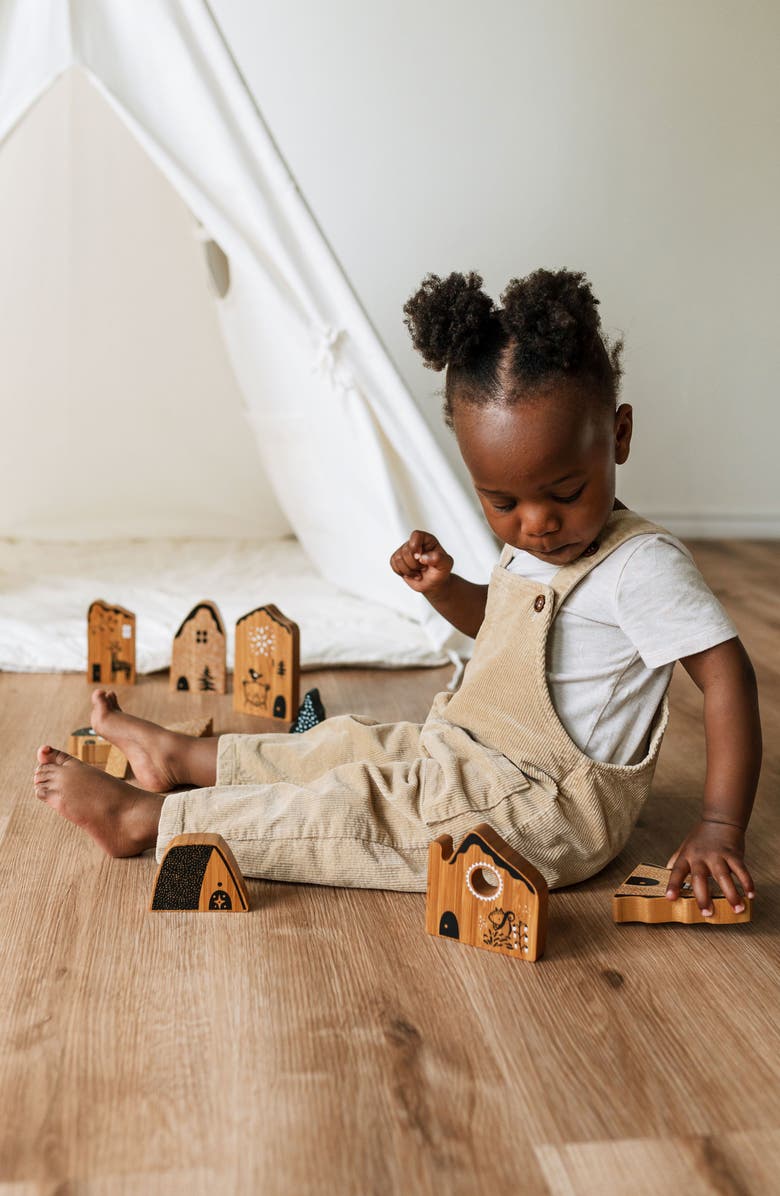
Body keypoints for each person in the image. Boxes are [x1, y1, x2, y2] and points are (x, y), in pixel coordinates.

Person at [33, 268, 761, 916]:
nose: (537, 524)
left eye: (564, 492)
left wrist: (720, 826)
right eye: (501, 502)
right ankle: (182, 761)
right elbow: (505, 633)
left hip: (544, 812)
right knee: (348, 747)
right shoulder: (537, 545)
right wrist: (447, 590)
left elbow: (726, 678)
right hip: (472, 752)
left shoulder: (642, 566)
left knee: (361, 807)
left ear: (619, 435)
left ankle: (149, 823)